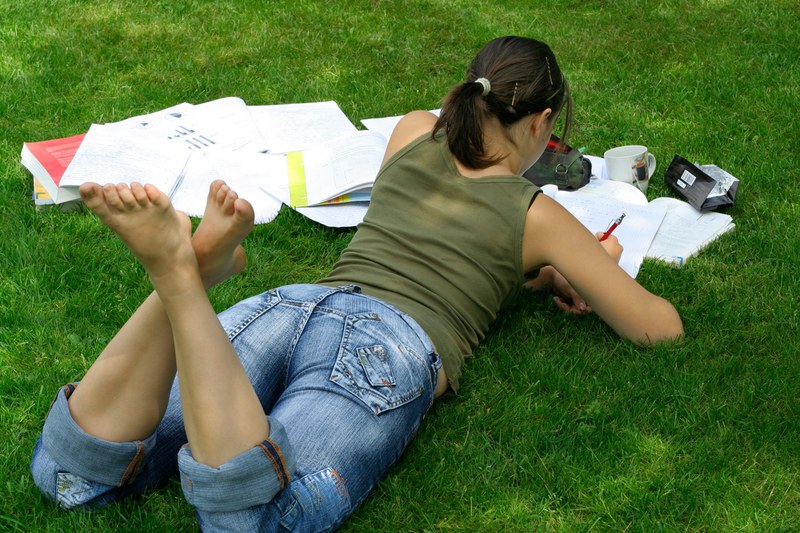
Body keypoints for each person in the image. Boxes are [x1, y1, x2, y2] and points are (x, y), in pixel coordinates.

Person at [31, 36, 683, 531]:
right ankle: (182, 278)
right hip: (387, 345)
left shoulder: (408, 134)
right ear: (541, 124)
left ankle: (188, 280)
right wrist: (584, 269)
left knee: (70, 476)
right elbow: (657, 327)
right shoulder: (538, 213)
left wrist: (541, 275)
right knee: (260, 515)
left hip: (294, 304)